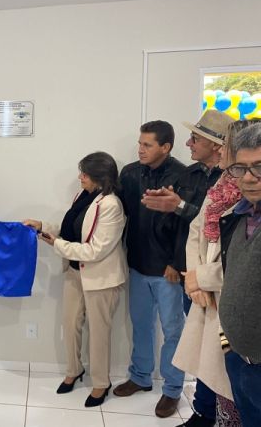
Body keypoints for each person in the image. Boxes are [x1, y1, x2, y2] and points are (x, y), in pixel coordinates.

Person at [141, 110, 233, 427]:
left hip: (221, 284)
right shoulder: (190, 174)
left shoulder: (234, 181)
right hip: (190, 277)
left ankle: (219, 413)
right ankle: (204, 412)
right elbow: (188, 229)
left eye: (195, 138)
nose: (189, 143)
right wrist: (179, 266)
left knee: (221, 353)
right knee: (200, 348)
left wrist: (178, 206)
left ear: (217, 146)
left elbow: (220, 228)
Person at [23, 152, 127, 407]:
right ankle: (74, 370)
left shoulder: (111, 205)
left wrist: (56, 244)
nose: (80, 177)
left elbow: (96, 250)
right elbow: (71, 230)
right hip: (74, 272)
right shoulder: (83, 197)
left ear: (100, 177)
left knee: (99, 332)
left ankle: (101, 382)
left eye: (85, 173)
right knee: (70, 326)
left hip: (101, 279)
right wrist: (42, 226)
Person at [173, 120, 254, 427]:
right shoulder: (221, 186)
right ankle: (204, 413)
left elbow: (244, 261)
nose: (221, 152)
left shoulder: (247, 197)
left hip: (229, 299)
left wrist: (203, 277)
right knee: (211, 365)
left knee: (228, 374)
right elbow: (196, 231)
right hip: (204, 291)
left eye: (225, 146)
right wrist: (195, 279)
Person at [113, 120, 187, 418]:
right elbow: (120, 215)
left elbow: (187, 225)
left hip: (168, 270)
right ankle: (141, 377)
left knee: (173, 331)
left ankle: (173, 389)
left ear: (165, 147)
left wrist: (176, 263)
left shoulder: (183, 176)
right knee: (141, 324)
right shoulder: (130, 173)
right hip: (137, 263)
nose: (140, 149)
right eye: (139, 143)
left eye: (147, 144)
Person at [217, 122, 261, 427]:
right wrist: (227, 343)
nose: (248, 177)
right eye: (241, 168)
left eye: (259, 166)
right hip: (237, 356)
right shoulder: (239, 215)